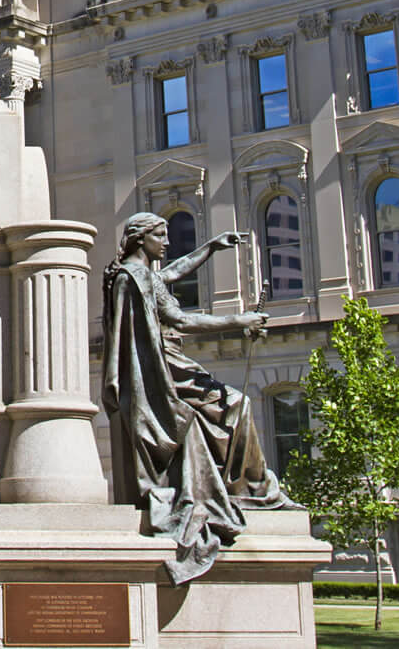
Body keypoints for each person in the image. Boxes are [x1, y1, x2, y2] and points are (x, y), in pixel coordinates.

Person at [102, 212, 295, 584]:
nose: (168, 242)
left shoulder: (137, 272)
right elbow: (180, 321)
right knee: (236, 405)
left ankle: (250, 488)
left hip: (164, 362)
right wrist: (239, 322)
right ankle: (254, 491)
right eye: (161, 235)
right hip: (161, 368)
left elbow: (172, 272)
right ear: (142, 239)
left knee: (235, 406)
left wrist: (209, 249)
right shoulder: (136, 276)